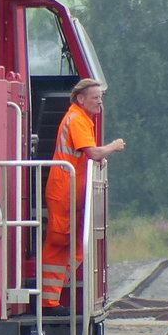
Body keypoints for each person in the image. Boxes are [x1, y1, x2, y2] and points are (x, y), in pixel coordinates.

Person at [40, 78, 125, 313]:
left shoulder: (81, 118)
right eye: (95, 97)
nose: (100, 101)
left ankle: (53, 294)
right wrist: (114, 146)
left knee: (76, 245)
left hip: (71, 190)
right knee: (59, 243)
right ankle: (48, 301)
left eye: (101, 97)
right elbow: (94, 153)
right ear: (81, 98)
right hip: (63, 190)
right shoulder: (77, 119)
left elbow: (88, 155)